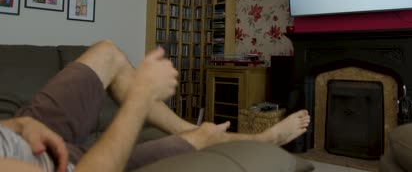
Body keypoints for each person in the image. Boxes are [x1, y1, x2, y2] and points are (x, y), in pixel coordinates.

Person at [0, 40, 310, 172]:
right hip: (72, 165)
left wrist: (18, 125)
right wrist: (141, 96)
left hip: (22, 132)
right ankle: (257, 139)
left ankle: (194, 129)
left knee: (106, 52)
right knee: (197, 141)